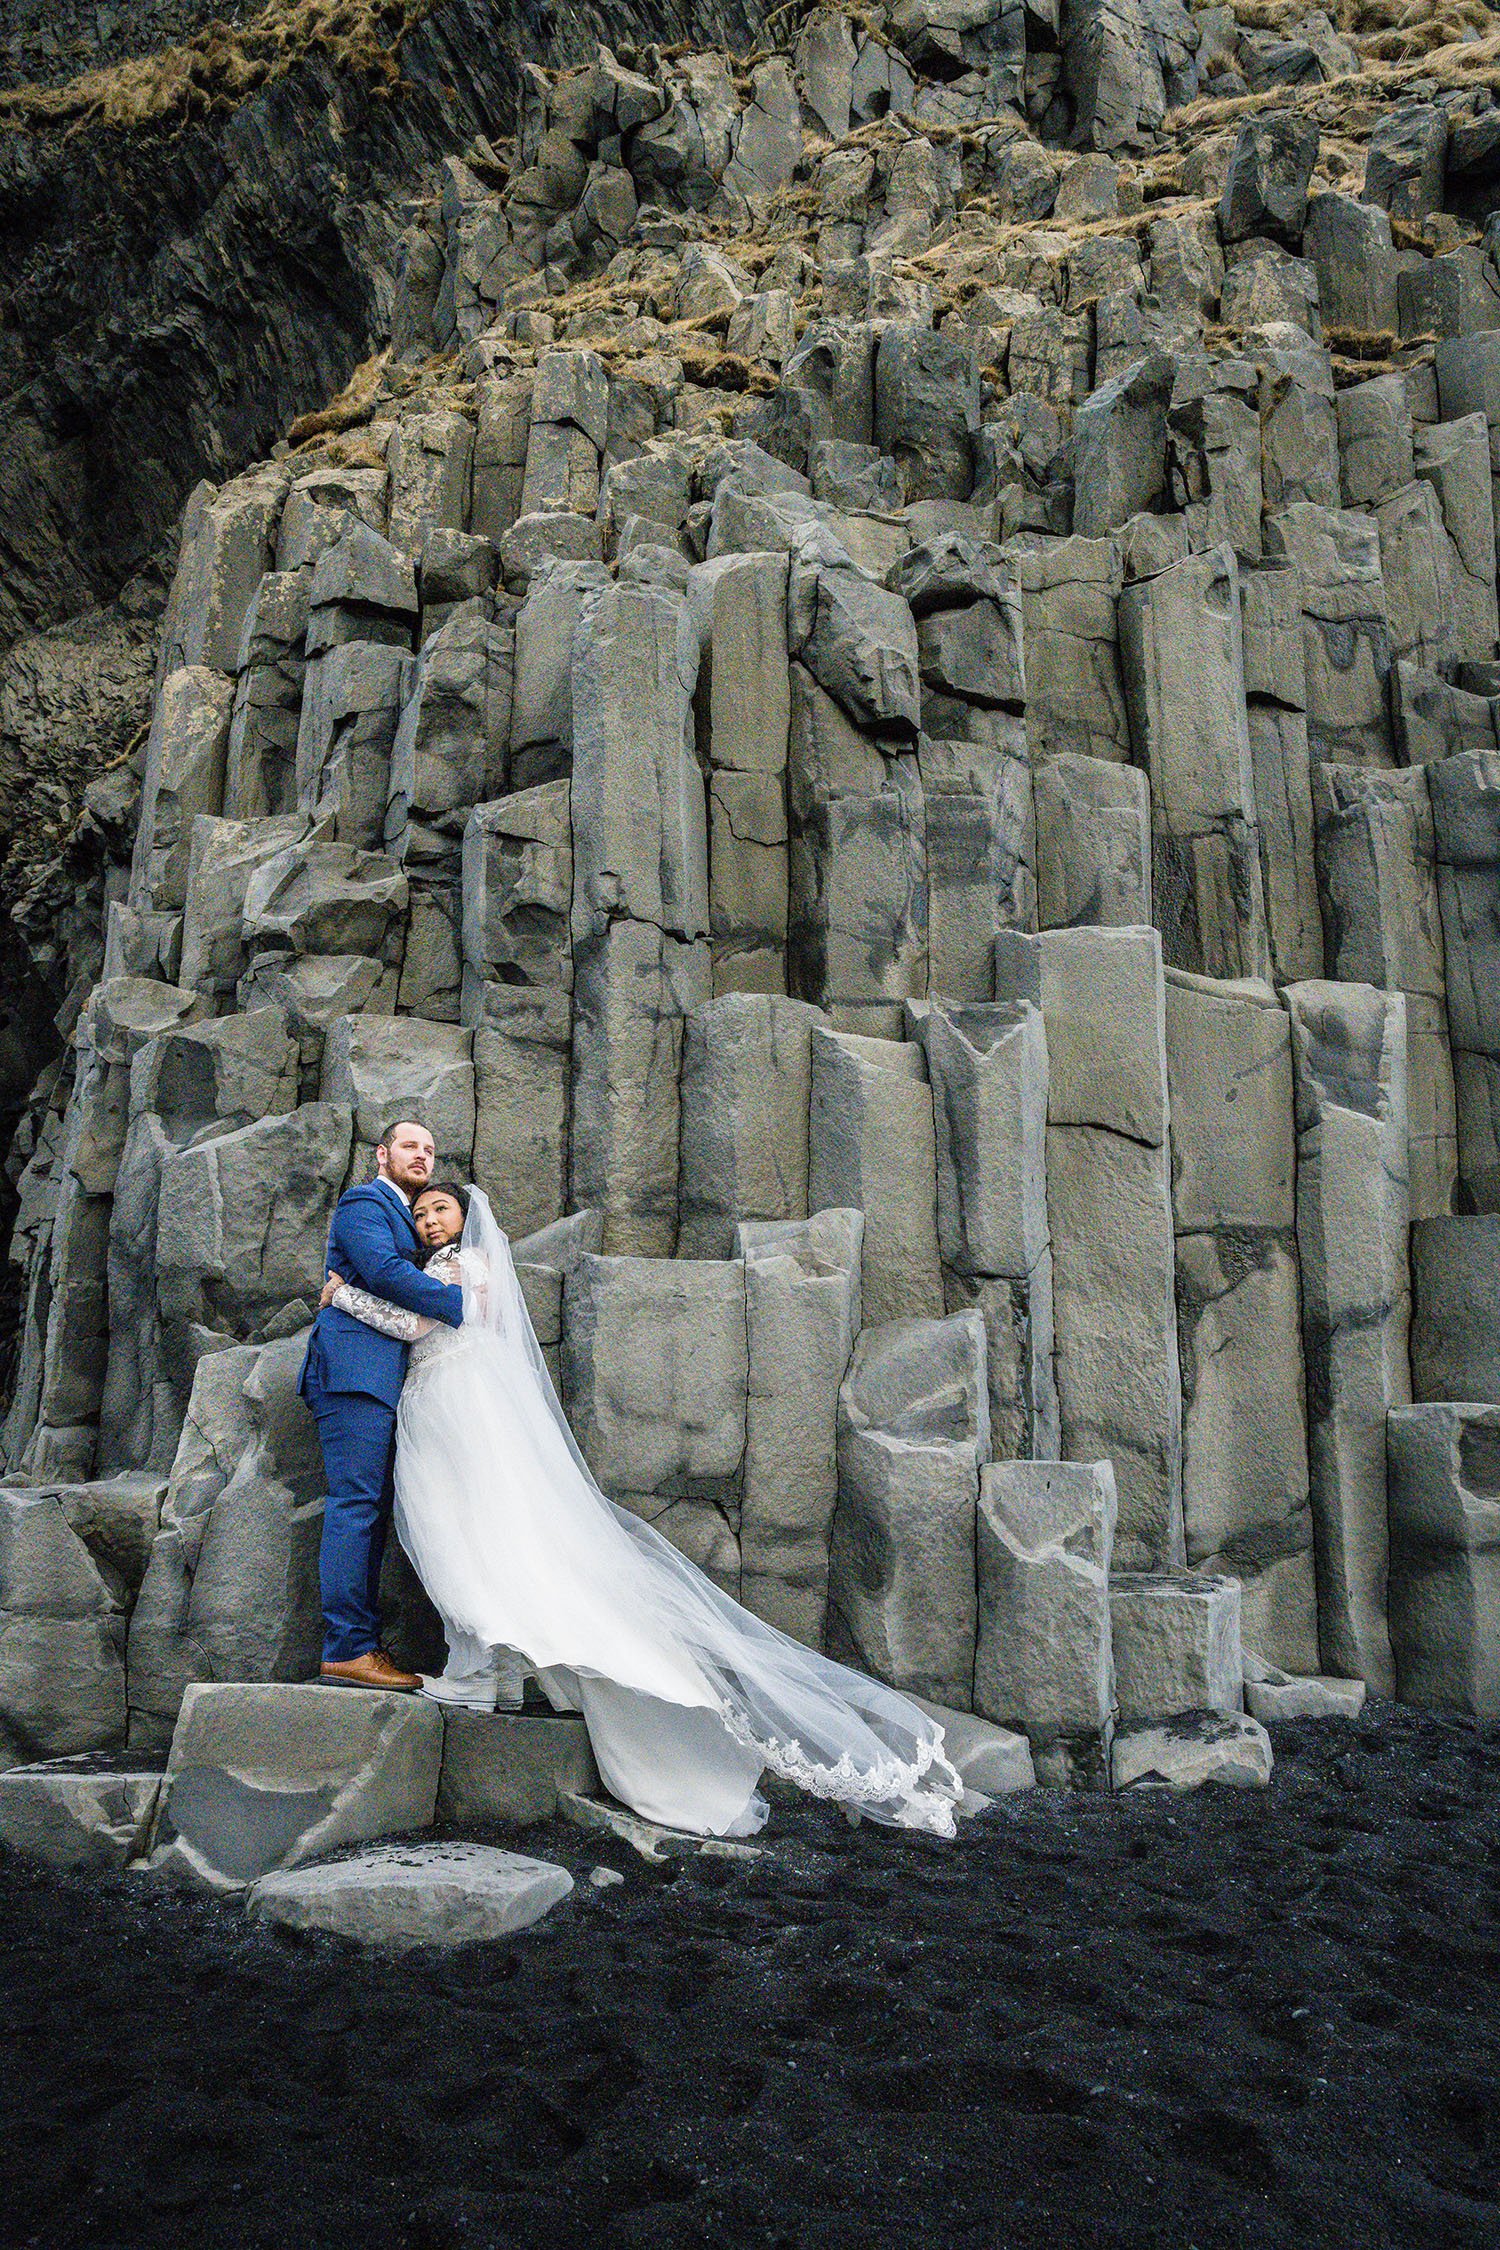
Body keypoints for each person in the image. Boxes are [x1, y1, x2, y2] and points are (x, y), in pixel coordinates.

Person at [319, 1180, 964, 1839]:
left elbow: (429, 1321)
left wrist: (345, 1296)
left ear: (465, 1217)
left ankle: (488, 1668)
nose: (430, 1219)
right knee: (451, 1536)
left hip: (460, 1402)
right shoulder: (429, 1265)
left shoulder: (464, 1265)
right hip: (435, 1405)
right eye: (422, 1212)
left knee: (473, 1539)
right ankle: (485, 1672)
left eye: (441, 1209)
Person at [297, 1120, 467, 1693]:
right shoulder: (364, 1201)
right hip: (353, 1374)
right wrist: (455, 1301)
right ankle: (346, 1648)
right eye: (410, 1145)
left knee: (370, 1508)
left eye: (430, 1149)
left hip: (382, 1379)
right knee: (355, 1504)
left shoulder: (413, 1220)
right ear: (381, 1154)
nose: (422, 1155)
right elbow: (385, 1272)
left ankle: (359, 1644)